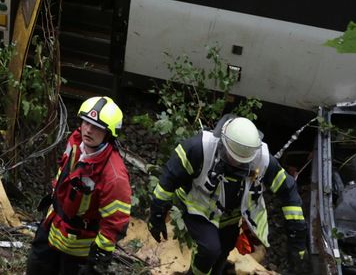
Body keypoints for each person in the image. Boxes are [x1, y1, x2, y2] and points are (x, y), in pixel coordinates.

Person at [147, 115, 306, 275]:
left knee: (225, 249)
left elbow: (288, 191)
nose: (236, 165)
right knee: (209, 250)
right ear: (222, 143)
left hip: (231, 217)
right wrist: (157, 214)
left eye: (242, 162)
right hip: (197, 208)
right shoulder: (199, 148)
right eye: (232, 159)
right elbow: (169, 178)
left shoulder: (264, 161)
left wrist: (297, 239)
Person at [27, 96, 132, 275]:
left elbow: (115, 222)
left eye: (97, 127)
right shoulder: (75, 142)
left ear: (109, 133)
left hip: (78, 249)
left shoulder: (114, 175)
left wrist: (98, 259)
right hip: (52, 228)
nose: (88, 130)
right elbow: (63, 173)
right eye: (86, 122)